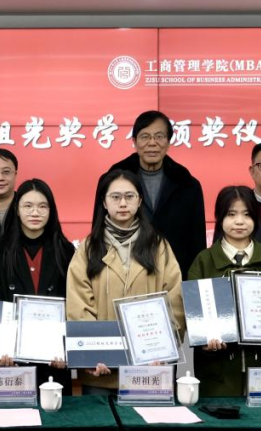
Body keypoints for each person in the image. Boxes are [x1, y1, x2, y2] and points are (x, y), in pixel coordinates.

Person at [67, 169, 184, 395]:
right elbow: (78, 304)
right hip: (101, 372)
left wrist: (163, 350)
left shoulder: (158, 246)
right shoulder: (88, 248)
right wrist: (91, 354)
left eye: (129, 196)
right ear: (104, 202)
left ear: (139, 201)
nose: (123, 203)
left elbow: (174, 300)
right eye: (115, 197)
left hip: (148, 370)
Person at [187, 186, 261, 396]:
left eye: (247, 214)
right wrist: (203, 340)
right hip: (219, 374)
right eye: (231, 214)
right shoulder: (203, 261)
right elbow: (194, 313)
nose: (239, 221)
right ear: (219, 217)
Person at [0, 179, 75, 394]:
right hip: (12, 359)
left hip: (54, 359)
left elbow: (74, 305)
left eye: (42, 206)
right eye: (28, 206)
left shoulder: (66, 251)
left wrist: (66, 350)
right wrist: (0, 349)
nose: (35, 212)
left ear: (51, 210)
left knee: (57, 412)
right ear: (16, 209)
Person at [96, 110, 205, 273]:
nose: (152, 143)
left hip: (174, 274)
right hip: (123, 272)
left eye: (159, 136)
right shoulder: (111, 182)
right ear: (134, 142)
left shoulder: (188, 185)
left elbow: (197, 243)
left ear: (169, 142)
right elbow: (98, 230)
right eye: (145, 136)